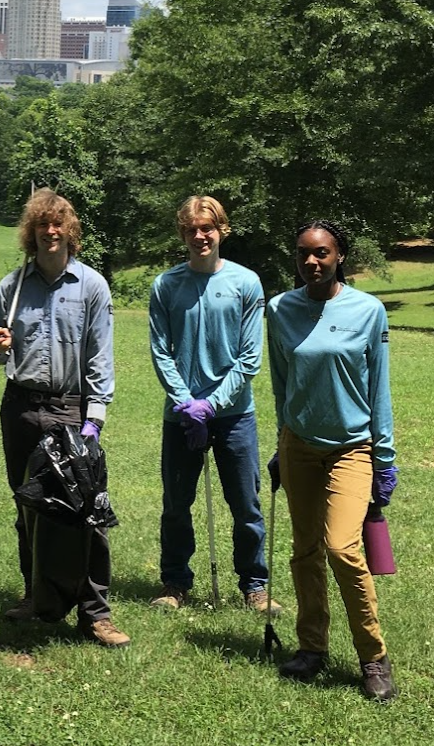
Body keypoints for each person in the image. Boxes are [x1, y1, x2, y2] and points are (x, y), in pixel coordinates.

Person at [0, 190, 128, 648]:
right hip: (22, 407)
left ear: (70, 231)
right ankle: (36, 596)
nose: (50, 232)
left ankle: (95, 614)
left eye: (58, 224)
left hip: (72, 409)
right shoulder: (11, 287)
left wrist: (94, 418)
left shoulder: (91, 286)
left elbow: (100, 355)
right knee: (29, 505)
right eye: (42, 225)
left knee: (87, 510)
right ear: (31, 232)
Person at [267, 219, 400, 701]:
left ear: (339, 255)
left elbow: (377, 388)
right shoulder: (279, 308)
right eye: (303, 253)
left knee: (343, 548)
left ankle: (373, 657)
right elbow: (282, 383)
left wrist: (384, 459)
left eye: (321, 253)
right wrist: (280, 445)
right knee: (304, 552)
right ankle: (312, 648)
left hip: (351, 448)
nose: (311, 262)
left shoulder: (368, 311)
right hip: (298, 445)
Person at [148, 195, 277, 613]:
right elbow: (160, 351)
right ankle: (175, 583)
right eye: (191, 229)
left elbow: (250, 357)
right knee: (176, 504)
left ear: (222, 230)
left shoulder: (246, 283)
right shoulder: (166, 285)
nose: (200, 236)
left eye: (207, 228)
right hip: (181, 416)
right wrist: (187, 403)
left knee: (245, 504)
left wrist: (213, 404)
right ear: (182, 234)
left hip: (236, 416)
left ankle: (254, 585)